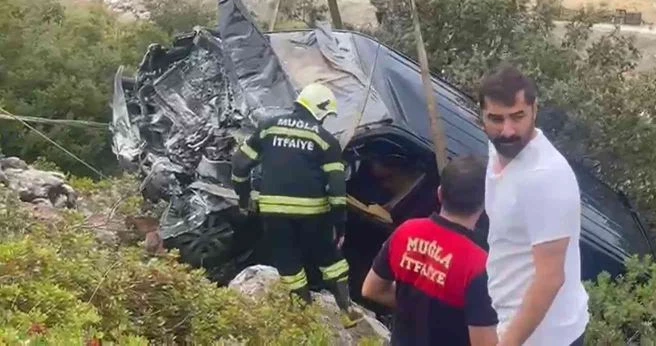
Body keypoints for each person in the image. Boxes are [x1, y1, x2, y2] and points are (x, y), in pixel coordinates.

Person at [230, 82, 363, 328]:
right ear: (320, 110)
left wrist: (243, 198)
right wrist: (339, 225)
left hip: (273, 212)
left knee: (288, 262)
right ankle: (347, 309)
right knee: (330, 259)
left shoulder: (268, 127)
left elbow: (239, 165)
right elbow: (336, 191)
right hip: (313, 214)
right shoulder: (325, 140)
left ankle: (305, 316)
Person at [477, 63, 589, 346]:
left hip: (546, 337)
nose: (507, 131)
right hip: (510, 321)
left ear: (534, 110)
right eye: (496, 119)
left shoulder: (546, 177)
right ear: (482, 115)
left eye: (518, 117)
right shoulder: (500, 149)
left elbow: (550, 278)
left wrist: (509, 342)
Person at [361, 155, 499, 346]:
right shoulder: (479, 267)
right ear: (485, 205)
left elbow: (371, 290)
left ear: (440, 194)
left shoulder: (406, 232)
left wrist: (415, 308)